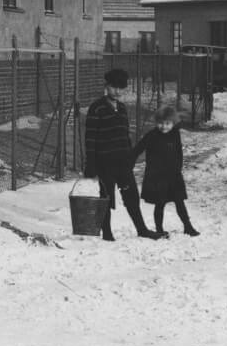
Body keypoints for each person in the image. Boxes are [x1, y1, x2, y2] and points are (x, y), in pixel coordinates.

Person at [84, 68, 158, 240]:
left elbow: (125, 135)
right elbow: (90, 139)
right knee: (106, 198)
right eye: (113, 87)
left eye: (121, 88)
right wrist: (91, 164)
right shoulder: (97, 108)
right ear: (107, 86)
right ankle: (107, 233)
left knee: (131, 196)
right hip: (105, 163)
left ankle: (142, 229)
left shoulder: (123, 108)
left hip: (123, 162)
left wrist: (130, 157)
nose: (117, 91)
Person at [130, 102, 198, 237]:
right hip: (157, 176)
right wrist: (130, 161)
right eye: (160, 123)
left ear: (173, 123)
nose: (163, 127)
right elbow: (138, 149)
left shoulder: (175, 134)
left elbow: (179, 152)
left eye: (167, 123)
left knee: (179, 202)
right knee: (160, 204)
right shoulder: (152, 135)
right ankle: (159, 230)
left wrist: (178, 168)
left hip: (173, 175)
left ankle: (188, 226)